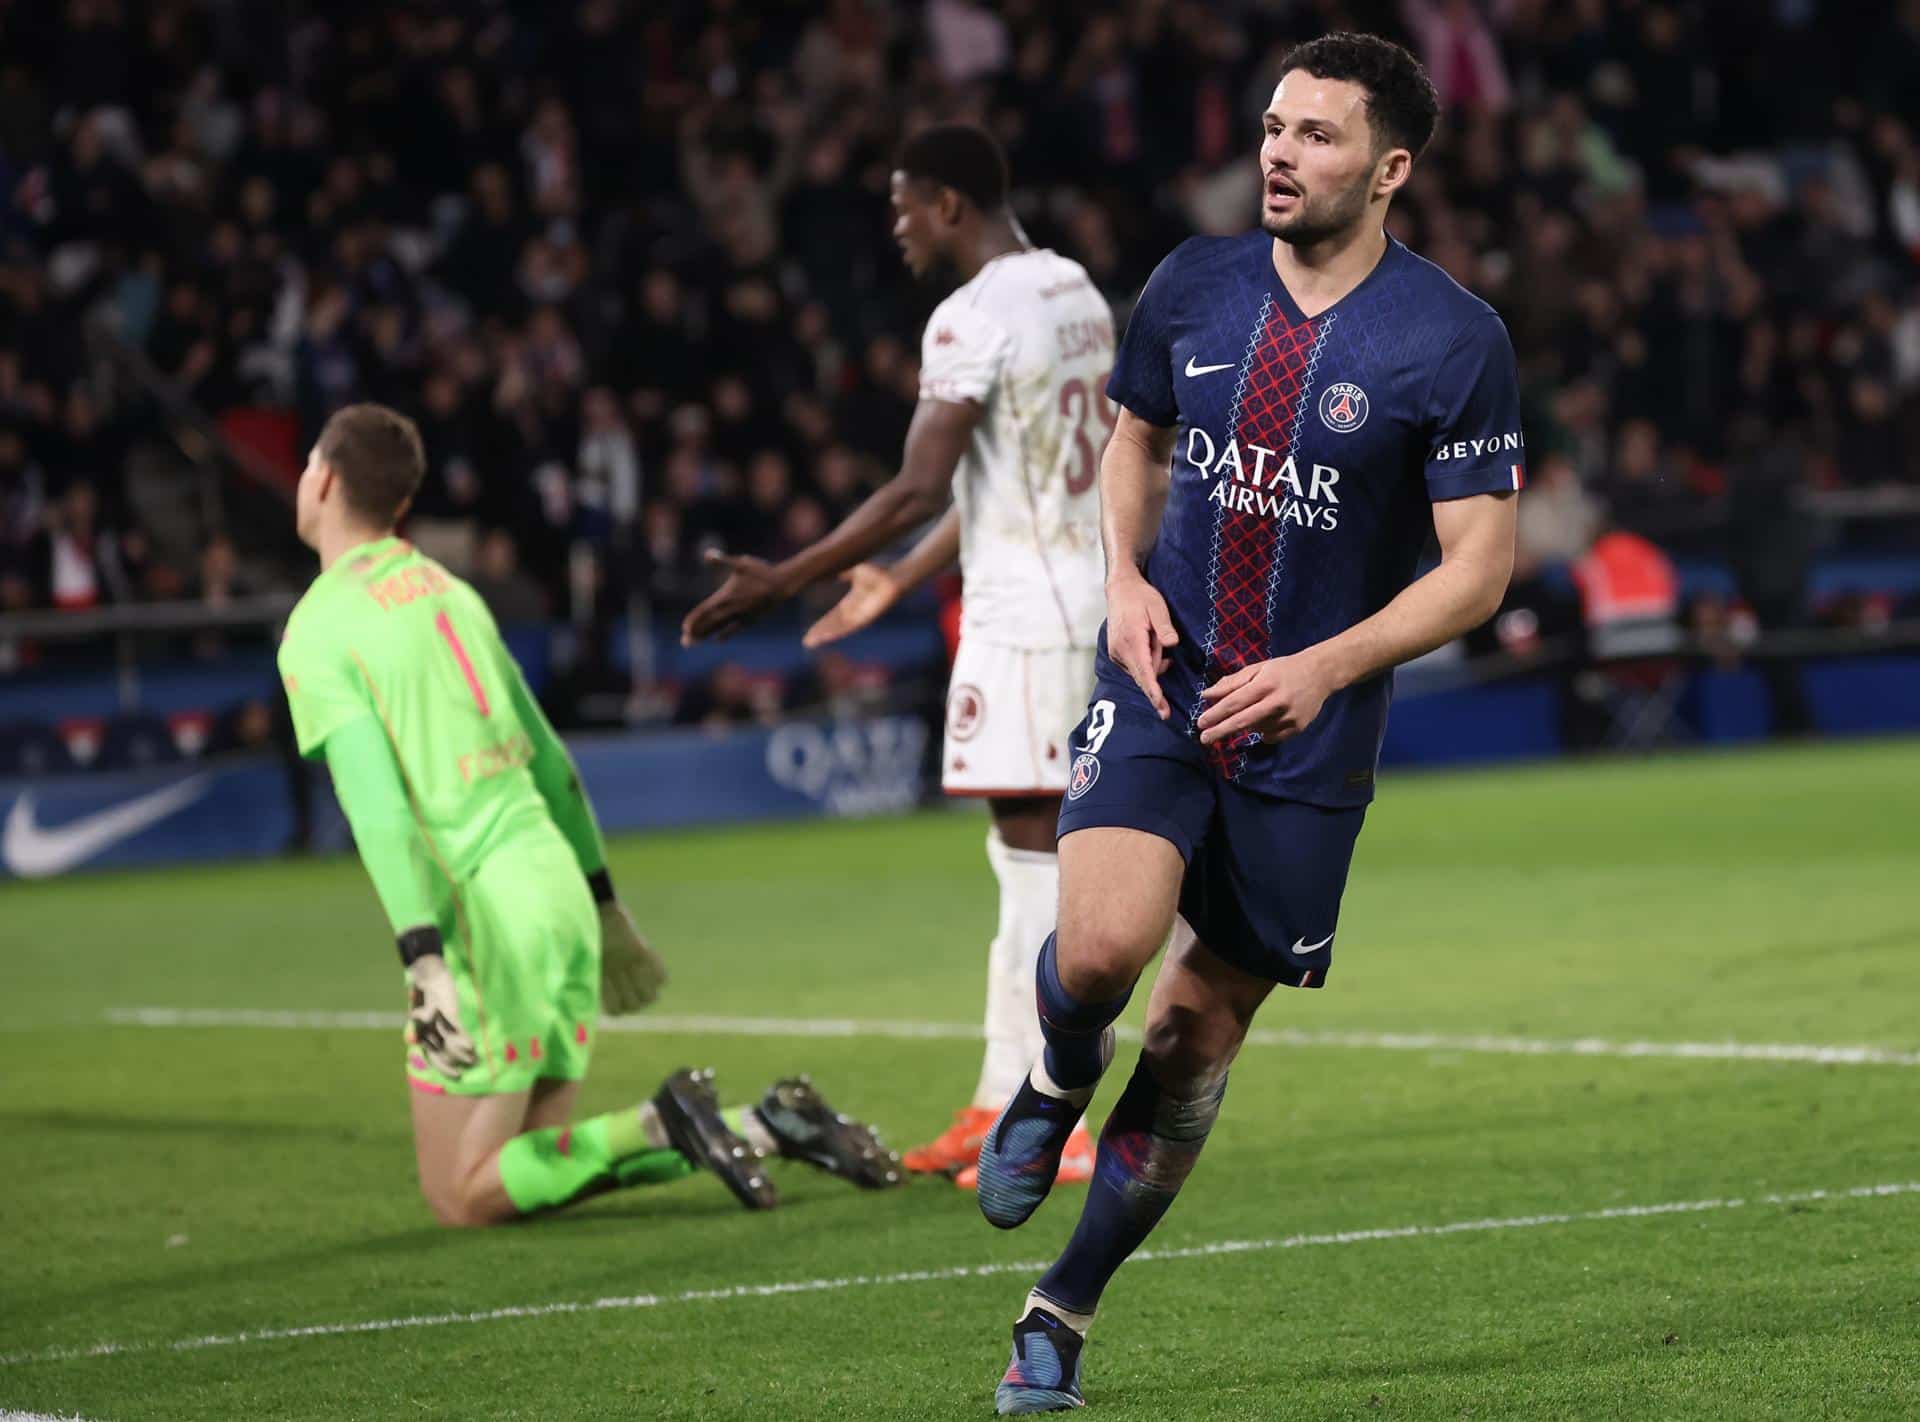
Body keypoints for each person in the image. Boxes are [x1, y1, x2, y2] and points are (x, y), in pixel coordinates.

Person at [979, 35, 1521, 1413]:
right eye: (1275, 126)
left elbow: (1478, 569)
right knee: (1099, 950)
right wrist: (1121, 580)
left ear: (1389, 169)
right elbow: (1135, 438)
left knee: (1192, 1039)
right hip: (1166, 680)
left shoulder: (1453, 338)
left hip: (1307, 734)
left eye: (1318, 135)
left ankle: (1064, 1307)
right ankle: (1055, 1073)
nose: (1279, 152)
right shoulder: (1194, 282)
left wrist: (1324, 668)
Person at [278, 403, 900, 1227]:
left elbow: (378, 808)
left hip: (484, 917)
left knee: (459, 1194)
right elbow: (552, 764)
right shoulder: (450, 592)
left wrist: (424, 960)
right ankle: (766, 1125)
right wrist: (603, 906)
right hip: (559, 893)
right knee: (533, 1166)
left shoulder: (318, 627)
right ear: (400, 501)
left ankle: (659, 1120)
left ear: (324, 479)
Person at [681, 123, 1113, 1191]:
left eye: (905, 204)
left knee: (1043, 868)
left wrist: (787, 577)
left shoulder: (970, 317)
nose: (899, 226)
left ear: (950, 204)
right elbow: (1015, 472)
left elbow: (921, 483)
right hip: (1074, 596)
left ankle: (1053, 1115)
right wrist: (897, 576)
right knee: (1022, 862)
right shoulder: (1071, 291)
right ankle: (1000, 1100)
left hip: (1026, 621)